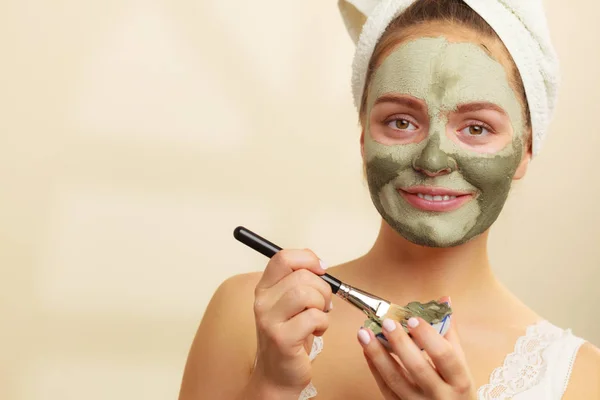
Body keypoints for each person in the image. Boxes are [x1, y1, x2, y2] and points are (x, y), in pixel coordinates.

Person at [178, 0, 600, 399]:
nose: (433, 159)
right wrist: (269, 386)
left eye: (476, 128)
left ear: (526, 149)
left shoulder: (581, 378)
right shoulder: (254, 316)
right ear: (363, 138)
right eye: (401, 122)